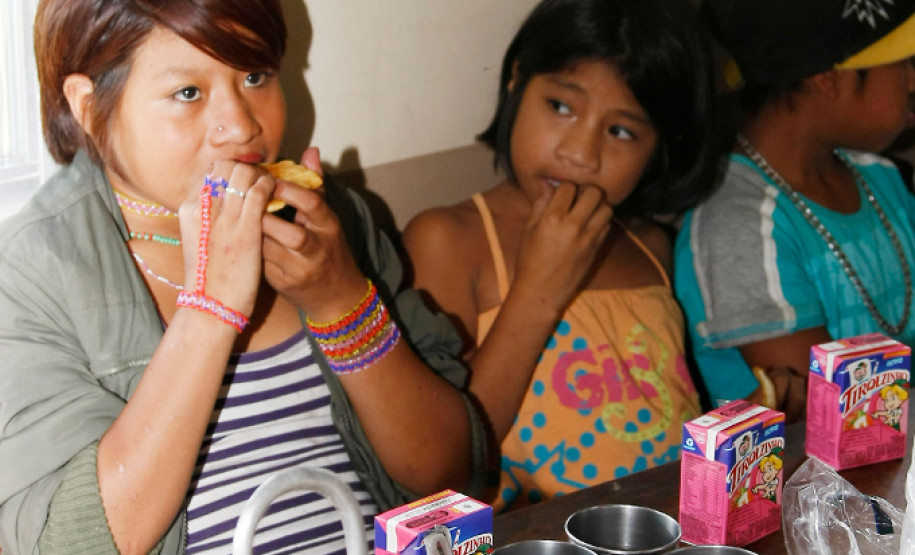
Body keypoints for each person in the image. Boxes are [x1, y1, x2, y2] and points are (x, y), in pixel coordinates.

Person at [0, 1, 491, 553]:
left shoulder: (327, 222)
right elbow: (67, 545)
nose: (242, 125)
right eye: (188, 92)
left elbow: (452, 479)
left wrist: (340, 300)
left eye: (255, 76)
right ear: (89, 107)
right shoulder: (31, 274)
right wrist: (208, 312)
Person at [402, 0, 720, 512]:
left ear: (659, 146)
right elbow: (446, 464)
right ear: (516, 80)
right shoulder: (448, 242)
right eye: (561, 107)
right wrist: (539, 288)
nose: (580, 154)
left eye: (621, 132)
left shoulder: (649, 248)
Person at [674, 0, 915, 422]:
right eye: (902, 63)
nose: (912, 79)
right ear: (827, 76)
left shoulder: (880, 177)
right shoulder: (737, 224)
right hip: (809, 464)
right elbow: (837, 409)